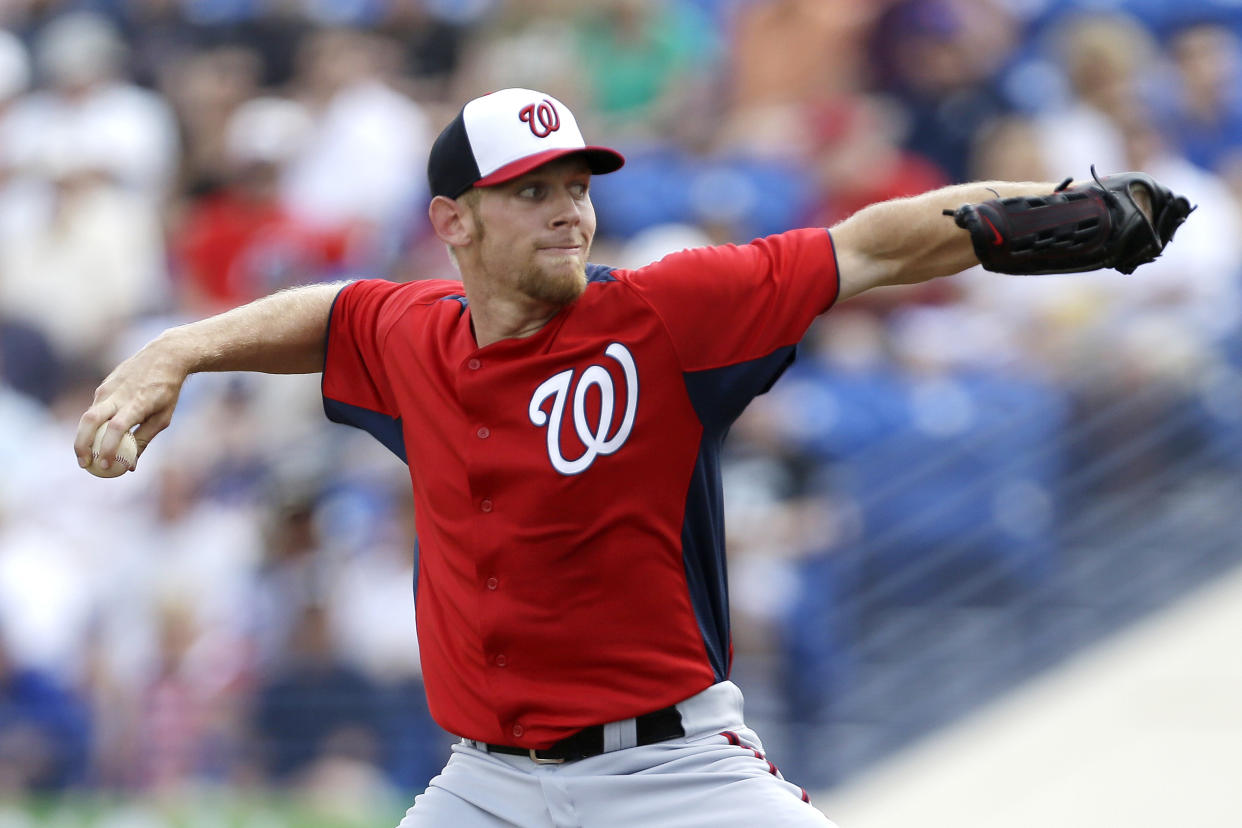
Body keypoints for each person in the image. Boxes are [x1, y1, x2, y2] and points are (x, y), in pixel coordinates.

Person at [75, 88, 1188, 827]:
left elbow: (867, 247)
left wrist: (1024, 217)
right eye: (530, 192)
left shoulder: (662, 316)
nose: (568, 211)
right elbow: (331, 316)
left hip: (672, 773)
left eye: (575, 186)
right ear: (453, 222)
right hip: (487, 785)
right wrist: (181, 348)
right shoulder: (412, 331)